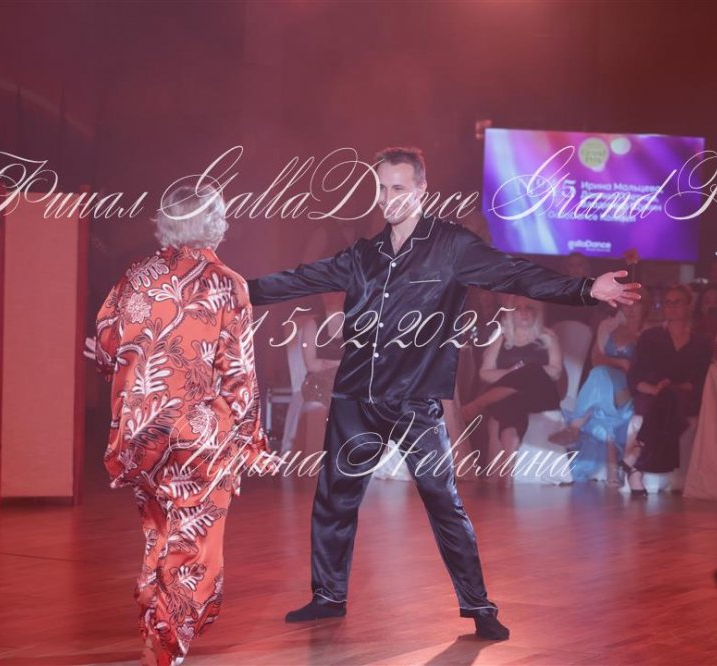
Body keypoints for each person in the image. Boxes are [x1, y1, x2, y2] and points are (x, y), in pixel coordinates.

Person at [247, 146, 641, 640]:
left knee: (444, 503)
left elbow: (516, 273)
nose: (388, 198)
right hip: (355, 399)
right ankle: (328, 596)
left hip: (415, 401)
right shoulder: (363, 255)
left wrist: (585, 290)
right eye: (381, 188)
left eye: (398, 187)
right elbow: (299, 279)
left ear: (421, 190)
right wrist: (232, 289)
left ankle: (479, 606)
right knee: (334, 499)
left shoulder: (452, 247)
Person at [91, 184, 271, 666]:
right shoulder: (227, 284)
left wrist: (130, 377)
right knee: (195, 542)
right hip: (199, 436)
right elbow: (239, 371)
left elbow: (107, 346)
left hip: (143, 432)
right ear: (215, 222)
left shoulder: (136, 276)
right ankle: (167, 644)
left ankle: (155, 624)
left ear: (165, 223)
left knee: (159, 532)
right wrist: (247, 439)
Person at [623, 285, 711, 496]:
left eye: (677, 302)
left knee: (670, 395)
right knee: (666, 398)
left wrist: (674, 387)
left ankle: (636, 460)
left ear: (688, 306)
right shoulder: (650, 337)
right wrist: (654, 389)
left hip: (684, 396)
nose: (671, 307)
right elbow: (634, 375)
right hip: (652, 395)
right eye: (668, 303)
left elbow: (701, 379)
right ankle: (636, 461)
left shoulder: (700, 341)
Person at [461, 295, 562, 475]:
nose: (523, 312)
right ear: (510, 313)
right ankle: (506, 472)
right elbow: (485, 373)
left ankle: (478, 404)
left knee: (531, 370)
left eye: (528, 308)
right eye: (518, 308)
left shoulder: (547, 337)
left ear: (536, 312)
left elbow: (556, 372)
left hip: (539, 395)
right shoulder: (501, 337)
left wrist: (525, 372)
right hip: (507, 399)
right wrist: (512, 374)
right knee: (509, 407)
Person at [556, 295, 648, 484]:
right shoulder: (608, 326)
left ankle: (575, 428)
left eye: (636, 304)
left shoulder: (648, 332)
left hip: (630, 388)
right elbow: (596, 360)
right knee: (600, 385)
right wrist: (621, 363)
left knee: (599, 377)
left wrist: (623, 365)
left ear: (644, 306)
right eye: (626, 304)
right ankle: (613, 470)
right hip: (606, 387)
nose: (630, 309)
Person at [298, 291, 347, 454]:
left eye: (337, 293)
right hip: (318, 382)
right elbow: (311, 364)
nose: (332, 298)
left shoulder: (355, 324)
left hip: (346, 380)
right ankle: (316, 455)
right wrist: (342, 363)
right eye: (328, 294)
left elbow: (361, 362)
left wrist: (329, 364)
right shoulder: (312, 324)